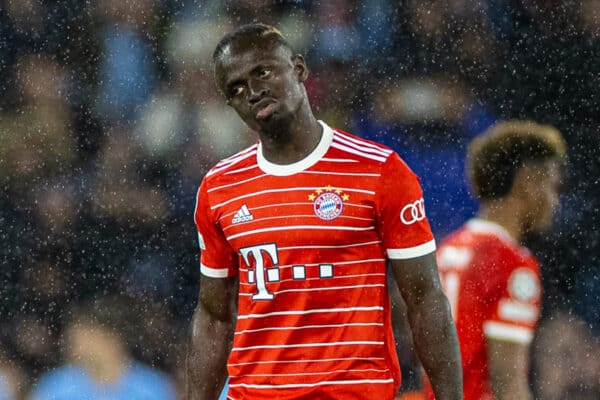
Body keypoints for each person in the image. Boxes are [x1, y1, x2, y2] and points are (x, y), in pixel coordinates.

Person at [187, 23, 463, 400]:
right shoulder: (219, 188)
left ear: (299, 69)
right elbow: (214, 316)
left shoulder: (380, 171)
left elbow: (425, 299)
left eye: (262, 72)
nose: (252, 92)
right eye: (236, 88)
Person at [424, 120, 567, 399]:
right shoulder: (512, 263)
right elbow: (507, 382)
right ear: (528, 184)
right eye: (551, 186)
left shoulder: (446, 251)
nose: (555, 201)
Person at [28, 297, 177, 400]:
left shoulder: (152, 388)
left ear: (112, 338)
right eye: (73, 340)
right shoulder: (56, 386)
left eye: (85, 338)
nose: (75, 347)